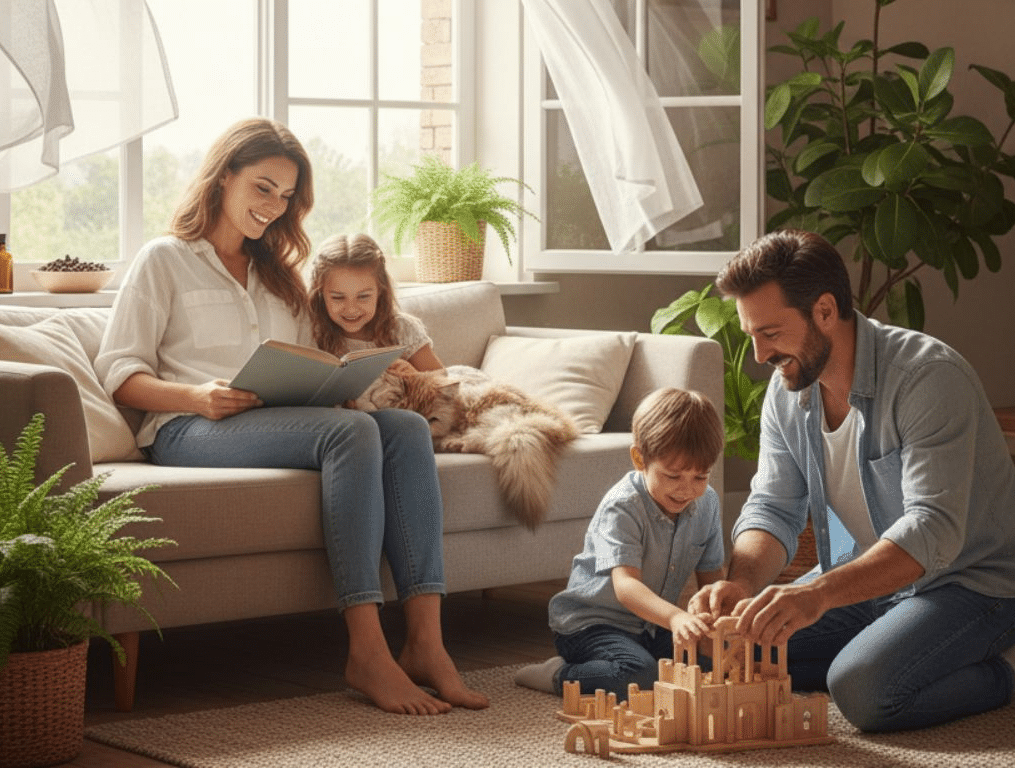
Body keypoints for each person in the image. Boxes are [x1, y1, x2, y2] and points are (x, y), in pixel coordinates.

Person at [93, 118, 487, 716]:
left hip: (277, 422)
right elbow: (119, 373)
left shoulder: (278, 274)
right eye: (262, 188)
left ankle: (427, 645)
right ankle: (366, 652)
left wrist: (344, 380)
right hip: (187, 430)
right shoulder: (164, 260)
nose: (274, 207)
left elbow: (310, 358)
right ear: (223, 177)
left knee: (403, 428)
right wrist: (198, 396)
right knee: (351, 431)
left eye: (285, 196)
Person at [689, 229, 1015, 732]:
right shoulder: (789, 389)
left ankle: (1005, 668)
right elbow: (772, 506)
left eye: (770, 333)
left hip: (974, 585)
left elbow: (930, 531)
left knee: (862, 689)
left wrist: (818, 595)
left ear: (825, 311)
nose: (759, 355)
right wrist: (741, 582)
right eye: (752, 336)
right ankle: (898, 642)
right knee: (724, 653)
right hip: (871, 581)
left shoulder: (928, 378)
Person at [514, 387, 726, 696]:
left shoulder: (707, 503)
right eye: (672, 476)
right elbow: (626, 587)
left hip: (651, 627)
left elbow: (712, 578)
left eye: (700, 477)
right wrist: (677, 616)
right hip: (591, 625)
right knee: (636, 674)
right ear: (639, 458)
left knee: (709, 668)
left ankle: (653, 657)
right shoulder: (623, 506)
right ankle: (558, 674)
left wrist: (714, 625)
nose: (686, 489)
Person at [308, 232, 444, 372]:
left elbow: (442, 380)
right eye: (337, 297)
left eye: (363, 297)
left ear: (380, 290)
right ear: (320, 294)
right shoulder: (314, 332)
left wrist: (412, 374)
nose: (351, 309)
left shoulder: (402, 329)